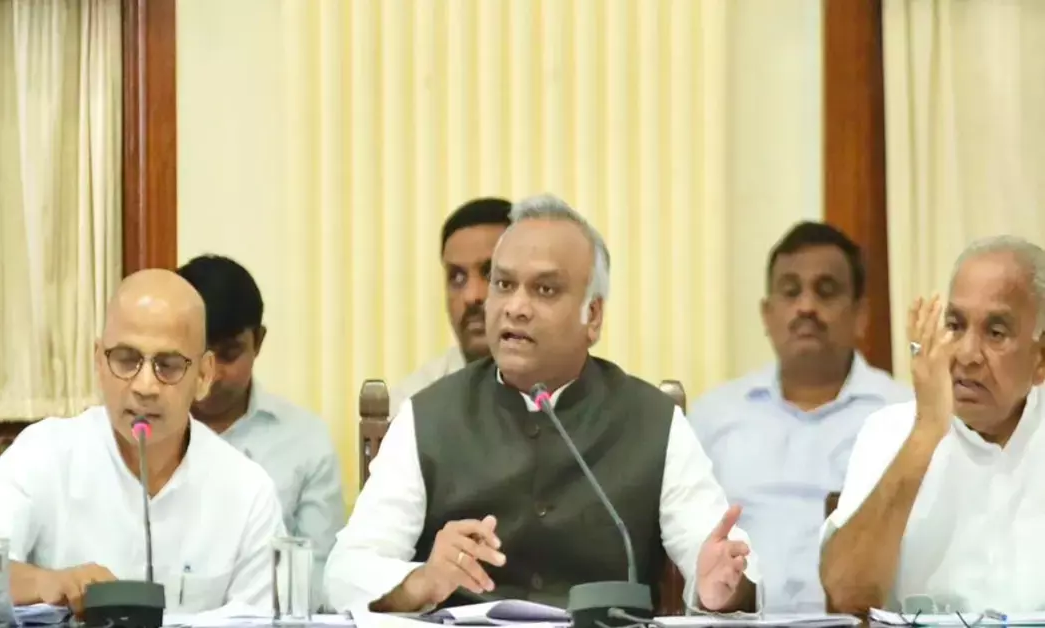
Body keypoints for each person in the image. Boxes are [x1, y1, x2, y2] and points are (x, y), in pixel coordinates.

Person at [325, 194, 761, 613]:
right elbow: (345, 572)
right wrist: (422, 580)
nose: (515, 307)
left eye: (545, 290)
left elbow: (724, 560)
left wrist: (724, 586)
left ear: (593, 316)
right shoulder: (427, 417)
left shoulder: (653, 422)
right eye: (503, 284)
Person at [0, 269, 285, 615]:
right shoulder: (43, 454)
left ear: (204, 375)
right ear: (98, 361)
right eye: (126, 360)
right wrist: (48, 582)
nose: (145, 386)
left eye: (168, 365)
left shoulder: (248, 493)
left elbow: (265, 618)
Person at [688, 222, 910, 612]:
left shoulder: (903, 416)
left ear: (861, 314)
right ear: (767, 314)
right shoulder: (714, 417)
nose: (806, 306)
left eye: (826, 291)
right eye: (790, 291)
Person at [820, 236, 1045, 614]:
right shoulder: (890, 431)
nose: (967, 355)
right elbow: (847, 595)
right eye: (955, 325)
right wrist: (926, 433)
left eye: (996, 332)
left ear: (1040, 359)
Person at [177, 254, 346, 608]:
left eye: (229, 354)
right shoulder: (147, 435)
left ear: (258, 341)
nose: (213, 374)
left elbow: (319, 576)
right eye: (199, 354)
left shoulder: (306, 441)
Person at [389, 197, 512, 417]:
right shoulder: (413, 406)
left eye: (490, 273)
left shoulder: (566, 390)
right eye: (457, 277)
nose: (471, 296)